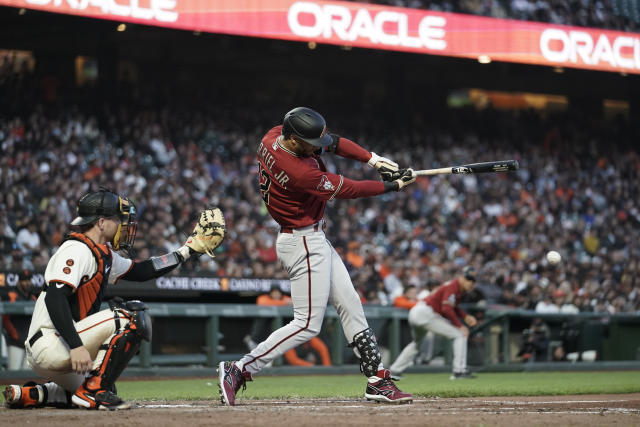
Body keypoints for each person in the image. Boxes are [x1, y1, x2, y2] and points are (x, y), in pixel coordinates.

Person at [218, 107, 416, 406]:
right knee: (307, 323)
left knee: (351, 304)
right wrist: (392, 185)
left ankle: (377, 380)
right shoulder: (299, 172)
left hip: (310, 238)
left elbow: (333, 142)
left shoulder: (273, 135)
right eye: (310, 142)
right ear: (294, 139)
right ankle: (241, 369)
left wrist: (373, 160)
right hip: (303, 241)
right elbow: (348, 188)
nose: (318, 147)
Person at [3, 189, 222, 410]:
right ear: (101, 222)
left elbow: (142, 271)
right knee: (132, 317)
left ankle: (37, 393)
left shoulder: (102, 252)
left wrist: (186, 251)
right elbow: (55, 298)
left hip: (60, 343)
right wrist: (76, 346)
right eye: (117, 219)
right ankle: (92, 391)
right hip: (51, 342)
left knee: (104, 386)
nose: (122, 225)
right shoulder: (76, 249)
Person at [389, 266, 478, 380]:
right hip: (426, 313)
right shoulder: (453, 286)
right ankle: (459, 371)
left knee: (417, 343)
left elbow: (452, 307)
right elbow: (446, 309)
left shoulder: (457, 288)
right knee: (459, 335)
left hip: (418, 311)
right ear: (461, 277)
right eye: (468, 279)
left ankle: (395, 370)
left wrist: (465, 316)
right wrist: (460, 326)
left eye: (473, 280)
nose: (470, 282)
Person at [1, 269, 39, 369]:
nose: (27, 283)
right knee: (13, 373)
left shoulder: (33, 298)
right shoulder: (12, 295)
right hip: (15, 342)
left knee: (26, 375)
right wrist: (14, 334)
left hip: (28, 344)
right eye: (24, 280)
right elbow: (5, 320)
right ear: (19, 282)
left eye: (28, 280)